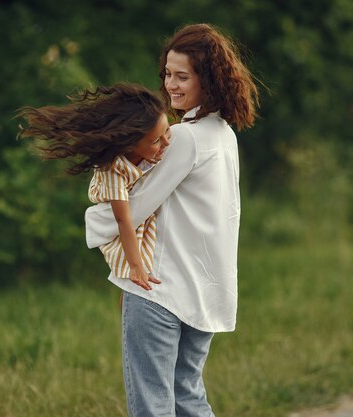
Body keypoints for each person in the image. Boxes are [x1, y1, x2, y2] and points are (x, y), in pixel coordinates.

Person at [85, 23, 259, 416]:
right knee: (188, 397)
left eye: (182, 76)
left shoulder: (185, 138)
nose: (171, 85)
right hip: (204, 294)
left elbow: (136, 203)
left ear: (208, 81)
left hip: (161, 290)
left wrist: (94, 220)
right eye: (167, 73)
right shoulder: (223, 133)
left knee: (153, 405)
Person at [18, 83, 171, 290]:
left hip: (137, 209)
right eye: (156, 141)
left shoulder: (157, 147)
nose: (166, 143)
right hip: (118, 222)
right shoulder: (113, 170)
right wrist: (135, 266)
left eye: (167, 132)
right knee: (135, 274)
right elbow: (123, 219)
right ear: (131, 144)